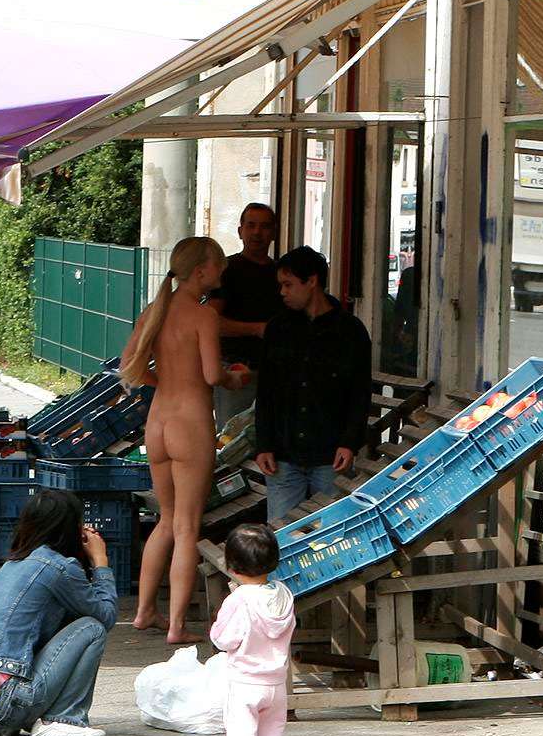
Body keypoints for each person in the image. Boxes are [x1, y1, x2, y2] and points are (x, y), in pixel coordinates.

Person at [122, 236, 247, 645]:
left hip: (158, 422)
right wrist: (235, 378)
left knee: (165, 520)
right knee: (187, 526)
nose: (223, 270)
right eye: (219, 264)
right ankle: (176, 625)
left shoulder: (155, 311)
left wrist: (166, 380)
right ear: (200, 271)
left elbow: (129, 365)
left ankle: (144, 611)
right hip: (190, 424)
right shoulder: (204, 315)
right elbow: (212, 374)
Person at [0, 489, 118, 736]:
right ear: (69, 528)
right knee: (92, 627)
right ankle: (63, 719)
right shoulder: (58, 567)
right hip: (9, 699)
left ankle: (10, 724)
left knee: (69, 622)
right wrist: (100, 561)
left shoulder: (13, 564)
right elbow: (106, 616)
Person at [255, 246, 373, 522]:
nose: (282, 292)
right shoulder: (278, 328)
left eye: (288, 284)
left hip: (330, 452)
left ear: (312, 281)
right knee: (282, 535)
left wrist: (349, 442)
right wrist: (264, 444)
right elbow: (266, 391)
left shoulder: (350, 331)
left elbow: (360, 392)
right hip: (283, 452)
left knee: (332, 533)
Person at [209, 524, 295, 736]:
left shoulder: (239, 600)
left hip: (245, 680)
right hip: (276, 681)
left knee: (242, 727)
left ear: (231, 566)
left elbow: (224, 639)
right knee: (271, 727)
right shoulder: (284, 595)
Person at [207, 202, 281, 426]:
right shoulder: (225, 270)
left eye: (265, 226)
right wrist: (257, 329)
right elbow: (211, 322)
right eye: (251, 225)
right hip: (236, 372)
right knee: (232, 438)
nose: (257, 232)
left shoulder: (282, 273)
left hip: (276, 373)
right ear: (240, 231)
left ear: (274, 232)